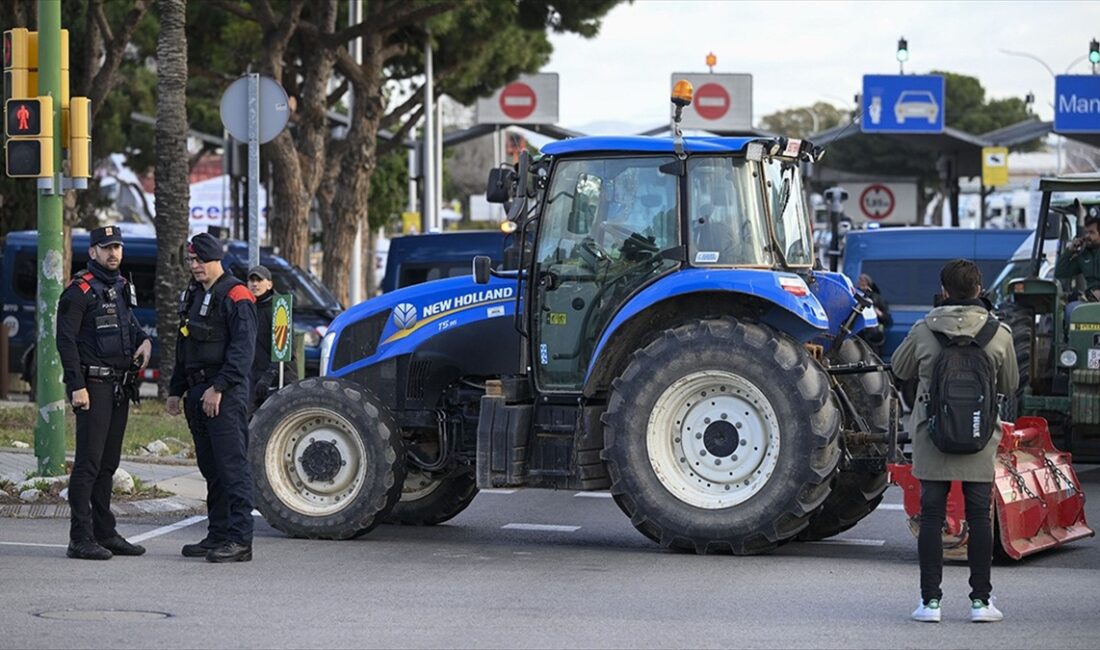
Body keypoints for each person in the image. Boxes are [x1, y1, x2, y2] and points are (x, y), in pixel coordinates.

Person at [892, 259, 1018, 624]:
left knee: (931, 517)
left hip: (933, 435)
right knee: (980, 517)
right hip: (980, 436)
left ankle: (930, 603)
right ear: (979, 290)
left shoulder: (923, 329)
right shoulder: (1000, 333)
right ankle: (981, 603)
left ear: (943, 291)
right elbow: (1009, 384)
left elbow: (900, 370)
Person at [56, 225, 152, 560]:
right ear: (93, 251)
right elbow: (65, 341)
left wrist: (144, 340)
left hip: (118, 386)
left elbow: (130, 325)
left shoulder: (121, 286)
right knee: (88, 464)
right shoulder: (78, 291)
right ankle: (80, 538)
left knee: (108, 464)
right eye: (106, 247)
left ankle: (104, 532)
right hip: (92, 387)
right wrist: (76, 386)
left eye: (117, 247)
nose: (113, 253)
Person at [167, 233, 258, 563]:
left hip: (224, 395)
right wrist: (176, 390)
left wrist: (219, 387)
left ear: (215, 259)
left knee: (232, 468)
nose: (194, 266)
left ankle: (239, 539)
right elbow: (184, 346)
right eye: (190, 261)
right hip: (196, 392)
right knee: (212, 469)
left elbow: (242, 351)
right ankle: (218, 534)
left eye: (199, 260)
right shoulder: (193, 294)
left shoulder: (236, 294)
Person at [247, 265, 297, 415]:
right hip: (254, 381)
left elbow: (285, 349)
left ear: (269, 284)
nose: (255, 284)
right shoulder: (247, 308)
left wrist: (268, 377)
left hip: (279, 380)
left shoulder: (279, 308)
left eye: (259, 280)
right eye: (251, 280)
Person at [1054, 216, 1100, 318]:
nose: (1087, 236)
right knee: (1071, 310)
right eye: (1086, 232)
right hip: (1090, 300)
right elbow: (1060, 272)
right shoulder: (1083, 255)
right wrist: (1069, 251)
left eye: (1092, 232)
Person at [856, 273, 893, 356]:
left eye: (863, 281)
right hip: (858, 337)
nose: (861, 283)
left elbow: (888, 320)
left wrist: (879, 313)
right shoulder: (855, 296)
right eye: (860, 280)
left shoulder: (877, 298)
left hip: (872, 338)